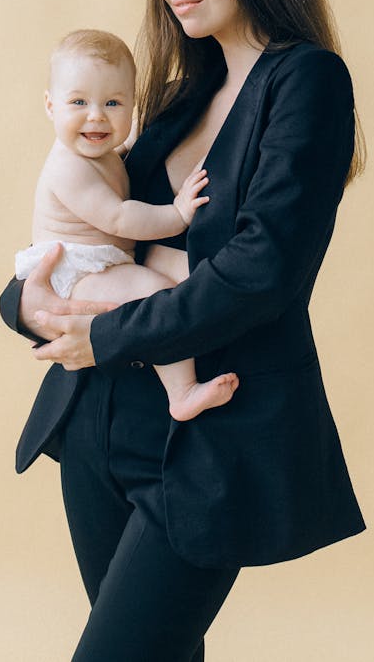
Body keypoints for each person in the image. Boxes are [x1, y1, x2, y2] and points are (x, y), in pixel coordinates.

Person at [0, 0, 367, 662]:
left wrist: (104, 332)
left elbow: (263, 269)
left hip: (209, 433)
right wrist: (25, 305)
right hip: (99, 420)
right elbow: (84, 227)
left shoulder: (306, 81)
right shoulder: (173, 95)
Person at [14, 28, 239, 421]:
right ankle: (181, 392)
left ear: (132, 106)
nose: (97, 115)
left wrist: (134, 138)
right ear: (51, 106)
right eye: (79, 102)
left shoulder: (99, 151)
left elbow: (117, 153)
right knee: (154, 294)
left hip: (99, 262)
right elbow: (119, 217)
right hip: (78, 270)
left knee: (162, 290)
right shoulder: (68, 168)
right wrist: (178, 214)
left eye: (113, 103)